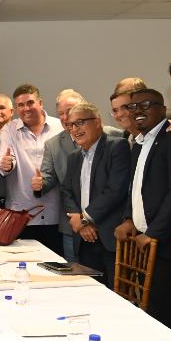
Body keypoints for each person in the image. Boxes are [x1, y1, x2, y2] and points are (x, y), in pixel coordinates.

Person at [114, 88, 171, 340]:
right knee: (151, 312)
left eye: (145, 105)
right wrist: (129, 218)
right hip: (143, 241)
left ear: (163, 109)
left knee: (169, 317)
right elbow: (135, 187)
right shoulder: (139, 143)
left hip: (167, 243)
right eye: (132, 106)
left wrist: (154, 233)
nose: (137, 111)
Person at [61, 103, 130, 288]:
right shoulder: (74, 157)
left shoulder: (117, 147)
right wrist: (79, 220)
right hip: (84, 239)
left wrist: (84, 218)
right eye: (71, 125)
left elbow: (115, 190)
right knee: (90, 291)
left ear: (97, 122)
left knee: (117, 296)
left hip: (110, 237)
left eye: (80, 122)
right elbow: (66, 190)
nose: (75, 129)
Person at [0, 84, 65, 254]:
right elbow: (3, 158)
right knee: (22, 263)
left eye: (30, 103)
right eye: (20, 105)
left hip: (55, 211)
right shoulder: (9, 129)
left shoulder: (59, 127)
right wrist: (6, 164)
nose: (26, 108)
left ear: (40, 103)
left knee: (54, 263)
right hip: (22, 213)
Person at [35, 89, 88, 262]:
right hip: (71, 224)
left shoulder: (111, 135)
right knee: (75, 272)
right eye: (61, 114)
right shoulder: (53, 144)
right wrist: (40, 184)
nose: (65, 117)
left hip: (104, 225)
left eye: (70, 110)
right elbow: (48, 178)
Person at [110, 77, 147, 145]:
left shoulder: (161, 130)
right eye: (115, 110)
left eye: (125, 107)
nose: (119, 114)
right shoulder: (123, 140)